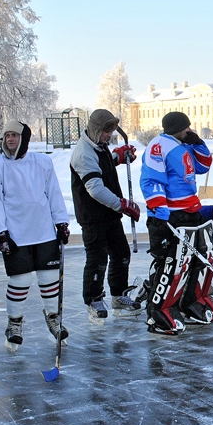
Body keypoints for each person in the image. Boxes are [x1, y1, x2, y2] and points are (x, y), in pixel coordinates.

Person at [0, 121, 71, 351]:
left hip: (43, 231)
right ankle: (14, 323)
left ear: (25, 139)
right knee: (20, 280)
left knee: (49, 277)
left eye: (15, 135)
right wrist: (1, 232)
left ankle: (53, 318)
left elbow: (53, 192)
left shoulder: (42, 162)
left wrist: (61, 222)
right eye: (7, 135)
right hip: (15, 235)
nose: (10, 139)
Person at [140, 111, 213, 333]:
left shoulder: (184, 143)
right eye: (186, 127)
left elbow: (204, 166)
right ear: (176, 128)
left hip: (191, 210)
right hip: (171, 213)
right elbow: (151, 180)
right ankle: (158, 310)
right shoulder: (159, 145)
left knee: (194, 261)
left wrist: (199, 143)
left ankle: (189, 301)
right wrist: (160, 214)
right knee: (172, 263)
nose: (189, 130)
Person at [70, 109, 141, 323]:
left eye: (111, 131)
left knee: (121, 253)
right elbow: (95, 189)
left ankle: (119, 295)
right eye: (106, 131)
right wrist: (122, 204)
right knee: (97, 259)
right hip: (92, 216)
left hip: (108, 214)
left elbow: (103, 165)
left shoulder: (98, 146)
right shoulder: (83, 152)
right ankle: (94, 299)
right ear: (96, 129)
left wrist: (117, 157)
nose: (109, 135)